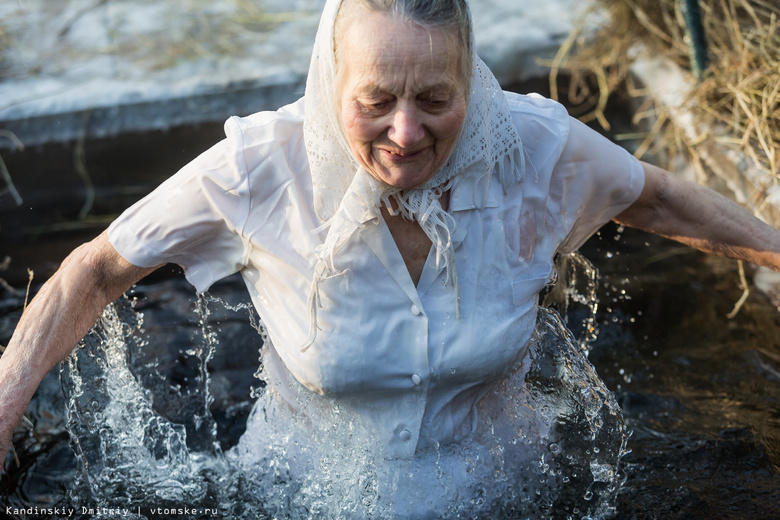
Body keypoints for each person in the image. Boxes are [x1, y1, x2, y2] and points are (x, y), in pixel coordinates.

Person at [2, 0, 779, 516]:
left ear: (471, 80)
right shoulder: (262, 169)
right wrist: (6, 407)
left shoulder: (534, 149)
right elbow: (94, 270)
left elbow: (660, 201)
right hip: (297, 499)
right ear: (333, 80)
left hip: (511, 499)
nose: (405, 133)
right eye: (375, 100)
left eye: (436, 99)